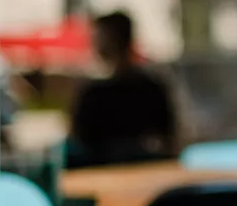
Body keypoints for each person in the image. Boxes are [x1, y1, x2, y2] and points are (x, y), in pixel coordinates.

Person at [68, 11, 177, 167]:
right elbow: (169, 139)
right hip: (146, 171)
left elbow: (78, 140)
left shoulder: (94, 93)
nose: (94, 42)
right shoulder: (152, 86)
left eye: (98, 36)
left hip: (104, 174)